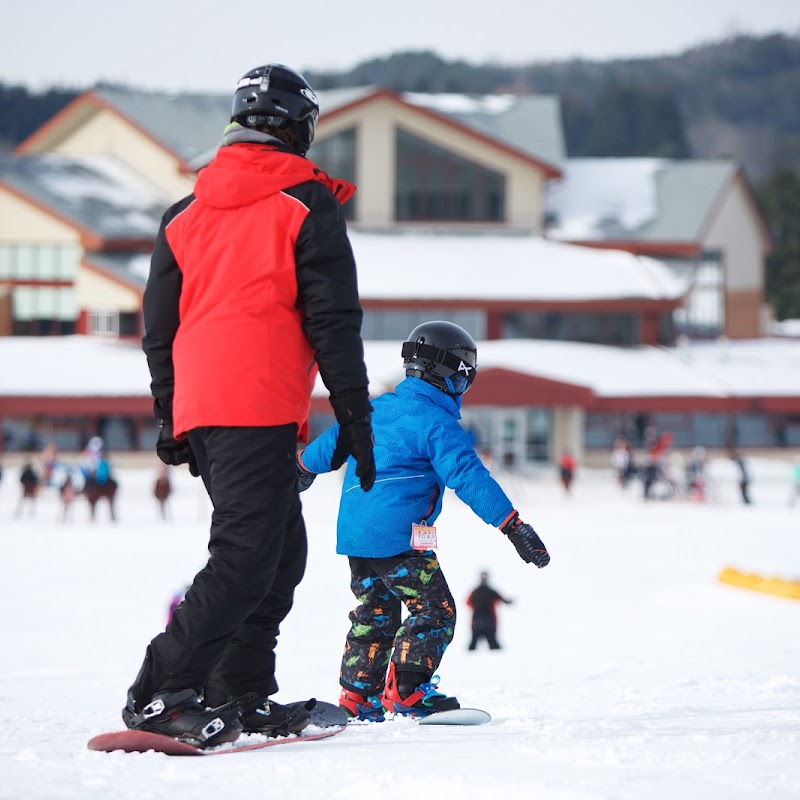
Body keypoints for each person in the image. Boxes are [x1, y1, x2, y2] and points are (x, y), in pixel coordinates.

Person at [126, 63, 376, 748]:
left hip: (211, 407)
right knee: (246, 555)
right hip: (255, 404)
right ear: (297, 127)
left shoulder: (183, 214)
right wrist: (354, 415)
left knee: (278, 551)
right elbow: (333, 320)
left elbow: (159, 328)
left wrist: (172, 415)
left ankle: (236, 692)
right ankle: (159, 693)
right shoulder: (305, 203)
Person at [297, 321, 550, 721]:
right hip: (399, 538)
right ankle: (408, 692)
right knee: (436, 611)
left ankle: (357, 697)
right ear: (451, 374)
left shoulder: (375, 408)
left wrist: (301, 468)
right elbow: (468, 476)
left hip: (355, 537)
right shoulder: (435, 421)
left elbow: (331, 444)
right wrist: (512, 524)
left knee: (374, 614)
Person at [466, 571, 513, 651]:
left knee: (477, 642)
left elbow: (468, 603)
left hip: (480, 619)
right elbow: (468, 602)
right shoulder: (489, 591)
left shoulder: (476, 592)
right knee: (490, 642)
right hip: (487, 619)